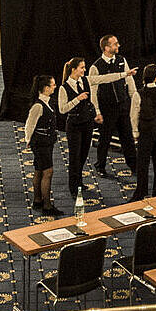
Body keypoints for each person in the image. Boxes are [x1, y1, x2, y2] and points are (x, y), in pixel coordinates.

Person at [87, 34, 133, 180]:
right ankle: (100, 166)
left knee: (127, 137)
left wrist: (134, 98)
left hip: (122, 104)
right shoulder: (96, 67)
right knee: (104, 139)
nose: (118, 46)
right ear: (107, 48)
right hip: (107, 109)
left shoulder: (121, 60)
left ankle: (133, 165)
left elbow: (129, 80)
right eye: (115, 44)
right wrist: (97, 112)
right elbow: (93, 92)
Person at [14, 73, 60, 215]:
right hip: (41, 143)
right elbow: (29, 124)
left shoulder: (46, 101)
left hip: (45, 141)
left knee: (39, 170)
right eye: (53, 85)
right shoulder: (38, 106)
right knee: (48, 172)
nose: (55, 87)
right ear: (46, 88)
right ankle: (47, 205)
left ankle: (38, 200)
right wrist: (28, 140)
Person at [56, 58, 95, 211]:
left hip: (87, 123)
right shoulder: (63, 88)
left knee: (84, 154)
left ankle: (79, 181)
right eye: (81, 68)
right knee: (75, 156)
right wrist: (77, 99)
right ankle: (73, 186)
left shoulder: (84, 81)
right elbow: (62, 109)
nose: (84, 70)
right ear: (73, 69)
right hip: (74, 126)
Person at [130, 62, 156, 200]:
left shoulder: (138, 94)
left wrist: (135, 133)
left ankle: (141, 192)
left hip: (146, 130)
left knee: (143, 163)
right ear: (154, 76)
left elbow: (134, 115)